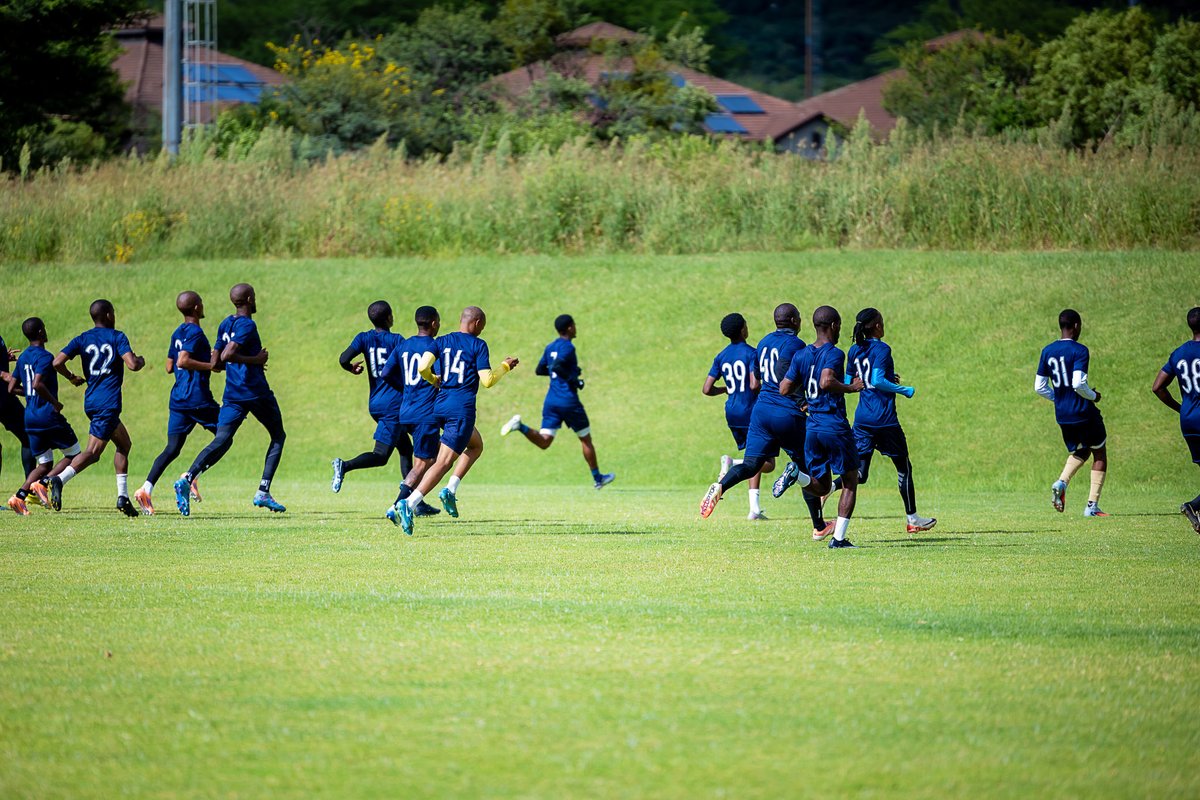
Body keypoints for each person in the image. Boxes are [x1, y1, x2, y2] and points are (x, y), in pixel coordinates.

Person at [700, 303, 828, 536]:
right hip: (785, 412)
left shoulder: (763, 342)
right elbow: (789, 378)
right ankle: (819, 527)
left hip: (760, 412)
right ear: (793, 321)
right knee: (804, 469)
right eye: (799, 317)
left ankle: (720, 486)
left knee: (751, 465)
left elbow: (756, 382)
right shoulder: (796, 344)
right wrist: (803, 402)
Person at [387, 306, 518, 534]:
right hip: (461, 410)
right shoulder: (478, 345)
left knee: (476, 446)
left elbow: (422, 367)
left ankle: (450, 489)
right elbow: (487, 380)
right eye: (483, 325)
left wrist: (433, 379)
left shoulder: (442, 341)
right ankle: (409, 504)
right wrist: (505, 366)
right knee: (443, 462)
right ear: (477, 323)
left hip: (440, 407)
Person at [171, 283, 287, 516]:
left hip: (232, 394)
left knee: (222, 438)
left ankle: (188, 478)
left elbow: (216, 363)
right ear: (250, 299)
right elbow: (228, 354)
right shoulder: (247, 324)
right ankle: (263, 492)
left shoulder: (225, 324)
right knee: (278, 436)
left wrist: (242, 362)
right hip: (255, 391)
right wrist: (256, 360)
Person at [836, 308, 937, 533]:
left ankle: (830, 488)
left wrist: (887, 379)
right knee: (904, 467)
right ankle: (913, 519)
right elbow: (878, 380)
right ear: (877, 326)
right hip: (884, 419)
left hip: (862, 419)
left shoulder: (854, 349)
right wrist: (904, 389)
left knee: (860, 473)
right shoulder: (882, 348)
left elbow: (849, 381)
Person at [47, 299, 146, 516]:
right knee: (92, 453)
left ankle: (123, 497)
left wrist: (71, 377)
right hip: (107, 403)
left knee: (124, 444)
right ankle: (58, 479)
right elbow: (132, 364)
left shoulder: (83, 338)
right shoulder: (117, 336)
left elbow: (56, 362)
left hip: (92, 401)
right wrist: (140, 360)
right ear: (109, 315)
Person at [779, 306, 864, 548]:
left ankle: (797, 476)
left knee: (823, 486)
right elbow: (826, 381)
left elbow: (784, 388)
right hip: (834, 425)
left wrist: (806, 400)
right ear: (834, 325)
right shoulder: (835, 353)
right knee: (850, 481)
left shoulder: (801, 355)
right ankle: (838, 539)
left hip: (813, 428)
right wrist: (851, 388)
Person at [500, 314, 615, 489]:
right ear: (569, 328)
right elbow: (558, 366)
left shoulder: (550, 347)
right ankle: (598, 479)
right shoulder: (568, 347)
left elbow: (540, 369)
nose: (575, 328)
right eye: (574, 325)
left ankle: (520, 426)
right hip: (568, 400)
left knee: (545, 442)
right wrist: (575, 380)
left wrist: (567, 370)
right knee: (585, 439)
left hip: (551, 401)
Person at [133, 291, 218, 514]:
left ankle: (146, 489)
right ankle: (191, 477)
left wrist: (202, 357)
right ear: (197, 307)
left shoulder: (177, 332)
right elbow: (182, 360)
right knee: (225, 436)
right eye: (201, 302)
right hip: (197, 398)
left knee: (172, 448)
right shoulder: (196, 332)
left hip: (178, 399)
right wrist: (211, 365)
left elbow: (169, 366)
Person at [330, 301, 415, 493]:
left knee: (405, 448)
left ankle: (411, 499)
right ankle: (344, 466)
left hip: (376, 402)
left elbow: (343, 359)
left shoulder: (364, 338)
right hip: (393, 405)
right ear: (389, 318)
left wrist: (350, 368)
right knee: (381, 455)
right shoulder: (397, 340)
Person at [1035, 309, 1108, 517]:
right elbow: (1078, 383)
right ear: (1076, 326)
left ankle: (1061, 482)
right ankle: (1092, 507)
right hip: (1082, 411)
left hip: (1062, 415)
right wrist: (1094, 396)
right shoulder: (1080, 350)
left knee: (1083, 449)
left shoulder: (1047, 351)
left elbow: (1039, 387)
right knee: (1099, 451)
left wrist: (1058, 398)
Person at [6, 318, 82, 515]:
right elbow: (38, 384)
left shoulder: (23, 357)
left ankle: (19, 497)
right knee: (75, 454)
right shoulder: (45, 357)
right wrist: (55, 403)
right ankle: (44, 483)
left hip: (30, 417)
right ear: (40, 332)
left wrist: (29, 393)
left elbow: (11, 388)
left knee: (44, 463)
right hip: (47, 415)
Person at [700, 312, 771, 520]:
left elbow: (706, 389)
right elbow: (754, 385)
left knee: (754, 457)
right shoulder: (752, 353)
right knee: (767, 463)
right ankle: (733, 464)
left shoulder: (721, 356)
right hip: (751, 411)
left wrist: (725, 389)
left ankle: (754, 510)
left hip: (732, 412)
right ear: (742, 329)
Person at [379, 305, 442, 518]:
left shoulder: (404, 345)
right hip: (425, 413)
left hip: (405, 412)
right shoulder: (435, 346)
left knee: (426, 459)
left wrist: (405, 387)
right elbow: (441, 377)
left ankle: (413, 502)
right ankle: (397, 505)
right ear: (434, 323)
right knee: (424, 463)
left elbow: (386, 373)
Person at [1151, 306, 1200, 533]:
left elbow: (1157, 387)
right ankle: (1193, 505)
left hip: (1188, 420)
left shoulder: (1179, 353)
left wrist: (1180, 409)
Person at [0, 331, 35, 485]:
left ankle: (29, 489)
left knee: (28, 436)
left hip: (5, 398)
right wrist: (2, 373)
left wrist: (3, 358)